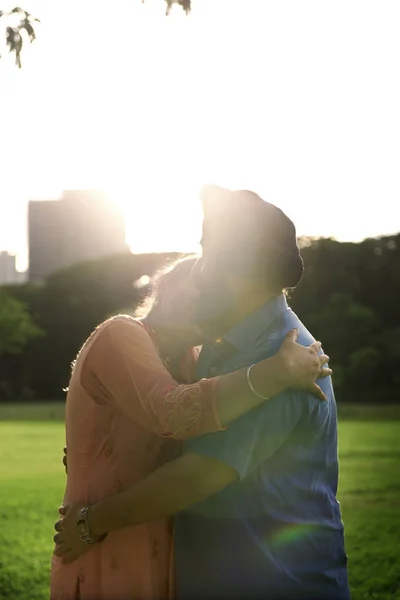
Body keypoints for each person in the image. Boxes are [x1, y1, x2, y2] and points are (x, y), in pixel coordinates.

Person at [51, 253, 330, 600]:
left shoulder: (193, 360)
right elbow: (170, 412)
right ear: (164, 289)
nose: (207, 297)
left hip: (162, 537)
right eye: (197, 284)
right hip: (103, 536)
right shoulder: (120, 334)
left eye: (213, 290)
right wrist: (277, 372)